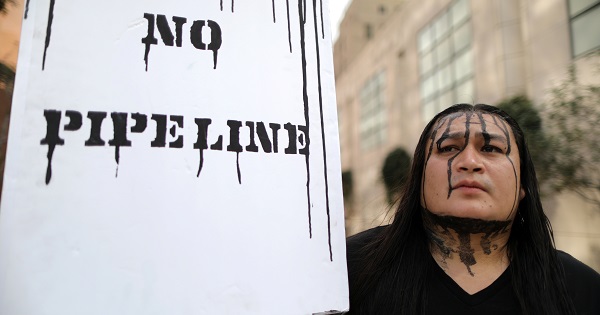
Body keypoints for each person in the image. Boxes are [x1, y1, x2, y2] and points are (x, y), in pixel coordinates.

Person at [345, 104, 600, 314]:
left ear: (523, 185)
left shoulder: (582, 289)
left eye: (491, 149)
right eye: (448, 148)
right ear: (419, 180)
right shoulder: (348, 271)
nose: (469, 162)